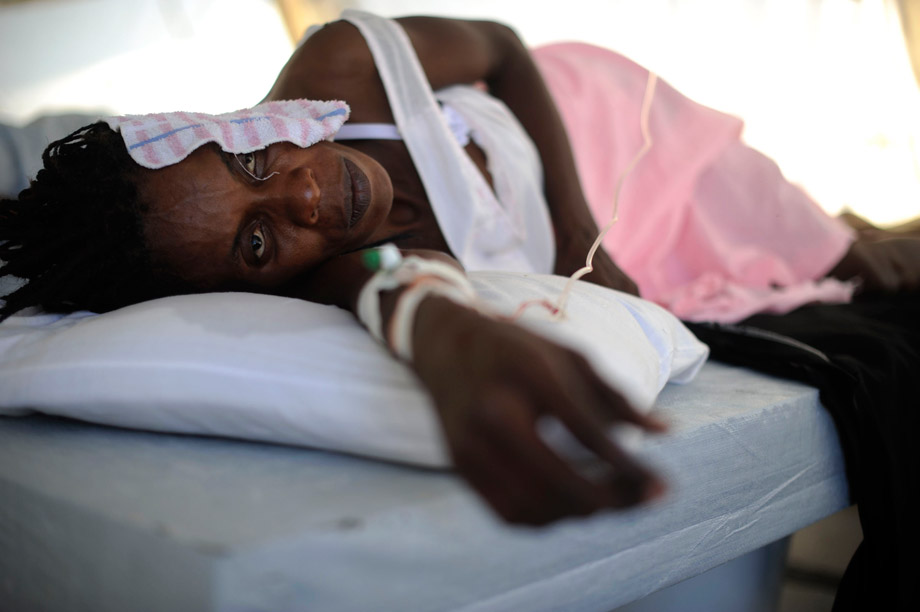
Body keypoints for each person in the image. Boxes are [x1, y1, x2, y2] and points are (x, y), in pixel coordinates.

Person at [1, 10, 918, 608]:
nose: (305, 199)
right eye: (255, 240)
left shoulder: (342, 63)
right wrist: (450, 336)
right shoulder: (321, 266)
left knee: (857, 262)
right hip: (610, 233)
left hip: (592, 125)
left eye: (252, 162)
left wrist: (572, 237)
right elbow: (390, 288)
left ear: (232, 128)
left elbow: (509, 53)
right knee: (795, 278)